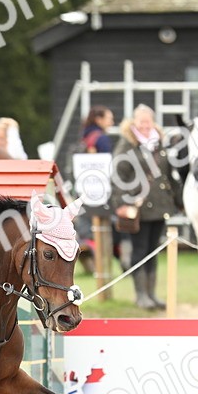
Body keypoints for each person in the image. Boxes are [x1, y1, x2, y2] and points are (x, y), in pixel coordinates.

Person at [111, 104, 182, 311]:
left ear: (153, 122)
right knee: (139, 251)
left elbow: (168, 176)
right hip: (137, 208)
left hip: (160, 206)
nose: (144, 125)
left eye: (148, 121)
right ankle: (140, 295)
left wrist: (179, 200)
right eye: (141, 121)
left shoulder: (159, 143)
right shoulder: (127, 145)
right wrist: (122, 203)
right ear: (134, 122)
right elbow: (117, 176)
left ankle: (151, 294)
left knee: (153, 251)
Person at [77, 106, 124, 273]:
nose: (112, 122)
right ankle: (112, 266)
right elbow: (108, 167)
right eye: (109, 118)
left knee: (90, 228)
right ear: (98, 119)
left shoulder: (84, 137)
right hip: (102, 190)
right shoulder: (102, 139)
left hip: (84, 189)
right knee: (111, 229)